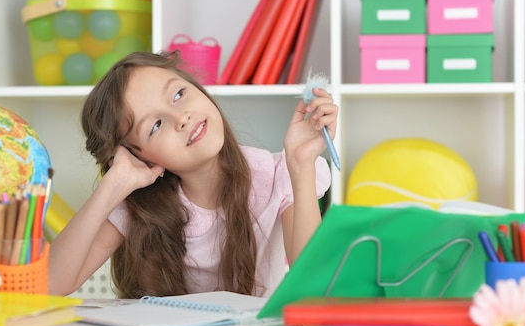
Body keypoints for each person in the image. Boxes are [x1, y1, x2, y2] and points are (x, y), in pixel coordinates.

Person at [48, 51, 337, 299]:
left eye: (178, 94)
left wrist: (301, 164)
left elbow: (313, 287)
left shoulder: (275, 174)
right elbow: (50, 285)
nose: (182, 117)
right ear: (139, 157)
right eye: (156, 125)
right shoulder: (138, 204)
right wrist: (111, 185)